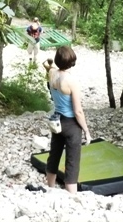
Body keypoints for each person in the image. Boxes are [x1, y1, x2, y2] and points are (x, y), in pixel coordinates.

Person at [45, 45, 91, 194]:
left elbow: (47, 64)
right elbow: (78, 111)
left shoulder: (52, 74)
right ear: (71, 62)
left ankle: (50, 187)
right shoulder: (71, 81)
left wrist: (51, 64)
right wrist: (86, 130)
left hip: (56, 120)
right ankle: (72, 196)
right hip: (71, 124)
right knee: (72, 161)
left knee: (54, 155)